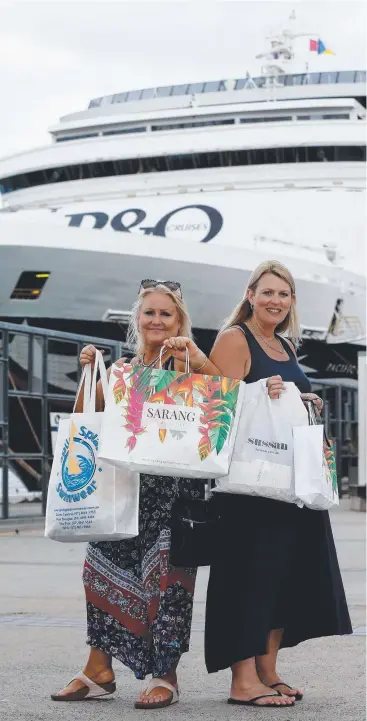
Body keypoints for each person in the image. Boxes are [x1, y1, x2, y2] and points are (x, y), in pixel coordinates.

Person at [200, 260, 352, 708]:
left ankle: (267, 670)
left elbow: (283, 397)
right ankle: (242, 680)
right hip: (250, 489)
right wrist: (258, 392)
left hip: (291, 486)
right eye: (267, 292)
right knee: (248, 578)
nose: (275, 301)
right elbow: (219, 406)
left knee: (283, 577)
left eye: (283, 294)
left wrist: (303, 400)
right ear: (250, 295)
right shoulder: (235, 338)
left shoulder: (284, 343)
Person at [51, 279, 209, 709]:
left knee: (166, 583)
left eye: (166, 313)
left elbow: (222, 395)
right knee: (100, 572)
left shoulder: (187, 364)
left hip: (171, 493)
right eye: (150, 313)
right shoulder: (121, 370)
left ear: (180, 321)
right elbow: (88, 415)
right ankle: (98, 669)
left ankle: (166, 676)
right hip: (119, 488)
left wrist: (195, 358)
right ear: (137, 320)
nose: (157, 320)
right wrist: (89, 370)